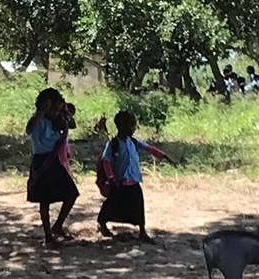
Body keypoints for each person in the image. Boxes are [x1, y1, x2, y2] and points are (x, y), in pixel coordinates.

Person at [96, 111, 178, 242]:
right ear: (122, 126)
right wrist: (111, 178)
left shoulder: (133, 142)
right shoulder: (113, 144)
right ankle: (102, 223)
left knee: (138, 205)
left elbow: (149, 148)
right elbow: (106, 161)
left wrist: (164, 156)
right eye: (132, 125)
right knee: (111, 204)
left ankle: (142, 231)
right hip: (119, 181)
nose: (134, 128)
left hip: (133, 181)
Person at [26, 88, 79, 248]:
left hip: (55, 160)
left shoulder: (58, 120)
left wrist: (64, 111)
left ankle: (58, 226)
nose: (56, 112)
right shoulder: (38, 120)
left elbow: (72, 125)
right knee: (44, 200)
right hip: (42, 161)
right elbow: (29, 129)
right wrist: (42, 111)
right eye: (53, 109)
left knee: (71, 194)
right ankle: (48, 235)